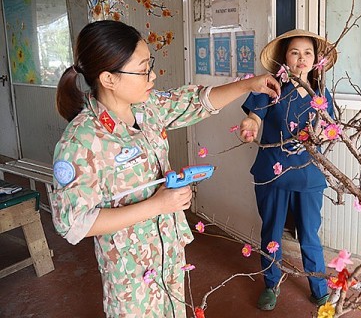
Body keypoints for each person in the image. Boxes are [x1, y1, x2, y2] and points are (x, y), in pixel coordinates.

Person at [50, 20, 280, 317]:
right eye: (143, 68)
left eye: (150, 64)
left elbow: (196, 102)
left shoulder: (147, 109)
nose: (153, 76)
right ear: (108, 78)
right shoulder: (82, 141)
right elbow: (74, 223)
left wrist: (249, 84)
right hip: (130, 273)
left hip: (169, 253)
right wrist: (158, 205)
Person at [239, 29, 337, 311]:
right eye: (295, 52)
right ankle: (271, 285)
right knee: (271, 233)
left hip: (309, 176)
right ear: (285, 58)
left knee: (309, 235)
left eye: (307, 53)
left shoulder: (321, 94)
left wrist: (325, 133)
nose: (301, 58)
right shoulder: (271, 87)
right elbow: (254, 116)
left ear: (315, 59)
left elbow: (330, 130)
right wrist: (250, 126)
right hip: (272, 174)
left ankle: (319, 289)